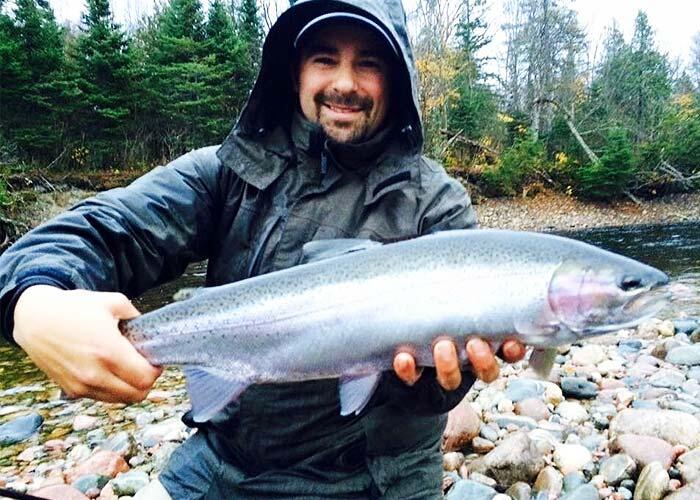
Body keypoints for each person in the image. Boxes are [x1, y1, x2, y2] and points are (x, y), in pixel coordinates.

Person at [0, 1, 525, 498]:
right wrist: (31, 301)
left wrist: (430, 384)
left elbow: (441, 392)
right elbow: (108, 228)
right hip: (224, 460)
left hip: (375, 476)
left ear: (397, 80)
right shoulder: (229, 172)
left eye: (368, 63)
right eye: (325, 59)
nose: (344, 82)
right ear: (294, 70)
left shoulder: (437, 206)